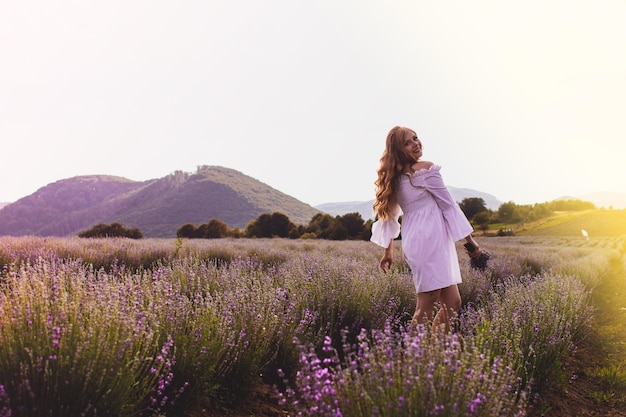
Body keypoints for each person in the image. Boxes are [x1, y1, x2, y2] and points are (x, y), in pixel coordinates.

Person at [371, 126, 483, 332]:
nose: (415, 143)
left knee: (453, 303)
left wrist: (389, 252)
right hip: (425, 242)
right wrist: (471, 244)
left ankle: (433, 352)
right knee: (427, 301)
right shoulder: (417, 172)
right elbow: (448, 206)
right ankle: (413, 357)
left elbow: (447, 206)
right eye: (407, 142)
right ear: (397, 149)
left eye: (415, 138)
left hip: (435, 240)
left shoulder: (412, 173)